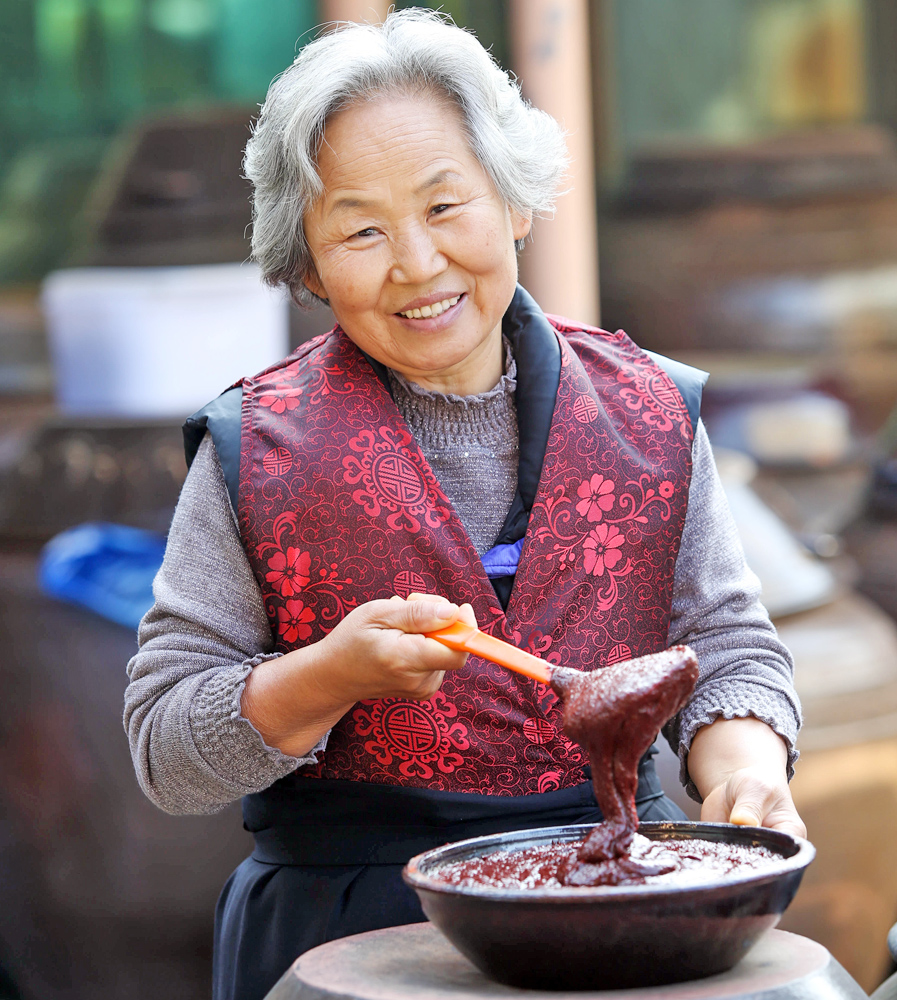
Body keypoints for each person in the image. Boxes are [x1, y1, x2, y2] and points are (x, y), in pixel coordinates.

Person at [124, 10, 804, 1000]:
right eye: (360, 227)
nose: (415, 261)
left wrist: (740, 766)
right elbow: (164, 751)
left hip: (620, 903)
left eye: (447, 206)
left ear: (517, 204)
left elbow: (724, 641)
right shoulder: (254, 450)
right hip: (350, 935)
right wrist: (326, 677)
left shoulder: (647, 411)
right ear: (308, 265)